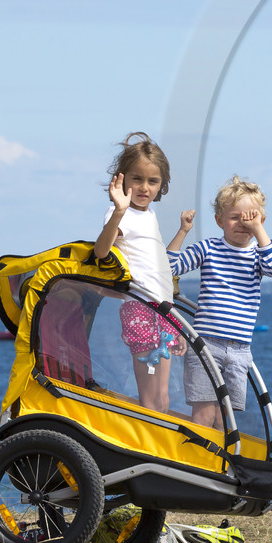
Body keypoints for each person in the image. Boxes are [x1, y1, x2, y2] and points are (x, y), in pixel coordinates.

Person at [166, 176, 272, 430]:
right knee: (203, 415)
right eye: (234, 217)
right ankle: (198, 464)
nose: (243, 223)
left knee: (225, 418)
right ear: (219, 221)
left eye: (250, 217)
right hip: (206, 344)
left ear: (261, 221)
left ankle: (219, 467)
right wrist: (183, 231)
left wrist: (258, 230)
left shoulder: (257, 256)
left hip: (240, 350)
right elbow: (170, 266)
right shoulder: (209, 248)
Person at [94, 131, 185, 414]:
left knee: (164, 398)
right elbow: (100, 251)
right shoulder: (119, 213)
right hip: (141, 311)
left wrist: (177, 324)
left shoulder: (151, 216)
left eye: (153, 181)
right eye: (137, 179)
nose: (145, 187)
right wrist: (119, 211)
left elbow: (159, 273)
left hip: (164, 311)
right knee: (150, 399)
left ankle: (161, 454)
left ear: (162, 185)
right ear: (122, 179)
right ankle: (151, 451)